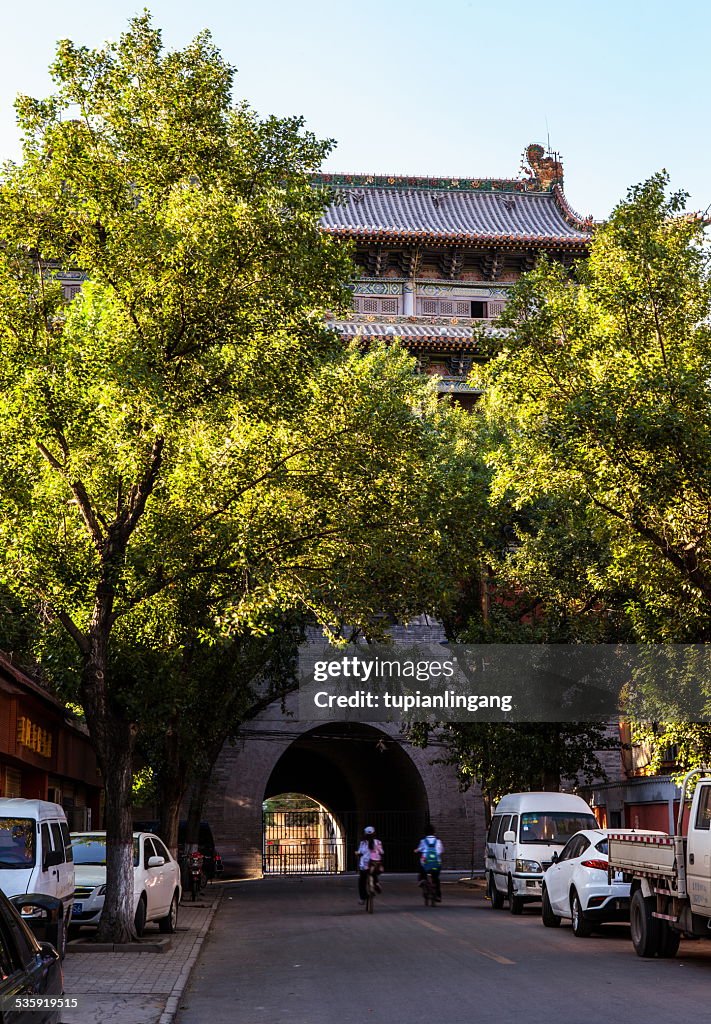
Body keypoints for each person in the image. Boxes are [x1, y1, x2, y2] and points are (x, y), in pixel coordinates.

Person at [356, 826, 384, 903]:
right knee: (374, 872)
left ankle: (363, 898)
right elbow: (382, 852)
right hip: (375, 864)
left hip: (365, 865)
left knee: (361, 881)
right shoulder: (378, 842)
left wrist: (358, 854)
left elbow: (360, 852)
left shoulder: (363, 843)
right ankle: (376, 883)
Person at [415, 827, 444, 901]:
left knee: (421, 867)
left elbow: (419, 849)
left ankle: (422, 880)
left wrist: (416, 850)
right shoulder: (438, 841)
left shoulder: (423, 841)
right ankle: (438, 895)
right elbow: (441, 850)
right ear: (434, 832)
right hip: (436, 863)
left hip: (426, 863)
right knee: (436, 878)